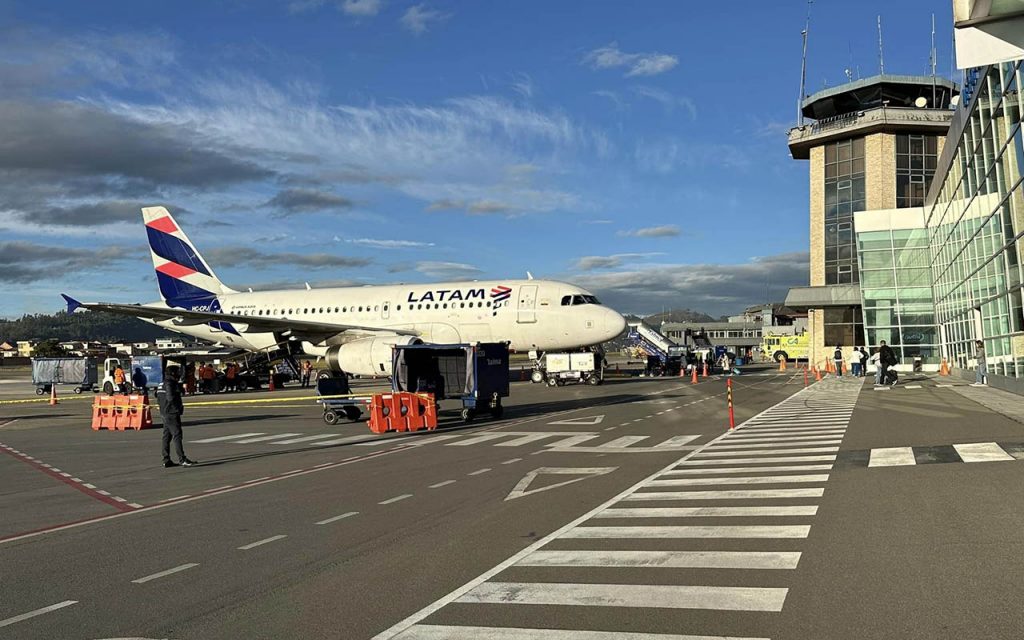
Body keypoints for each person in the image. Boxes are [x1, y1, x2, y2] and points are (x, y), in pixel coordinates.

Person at [157, 367, 196, 468]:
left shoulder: (162, 384)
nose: (178, 374)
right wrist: (177, 409)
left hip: (164, 412)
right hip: (171, 413)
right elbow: (170, 398)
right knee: (177, 435)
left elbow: (158, 397)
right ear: (173, 373)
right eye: (177, 372)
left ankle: (166, 459)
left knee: (167, 436)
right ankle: (182, 459)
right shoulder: (170, 383)